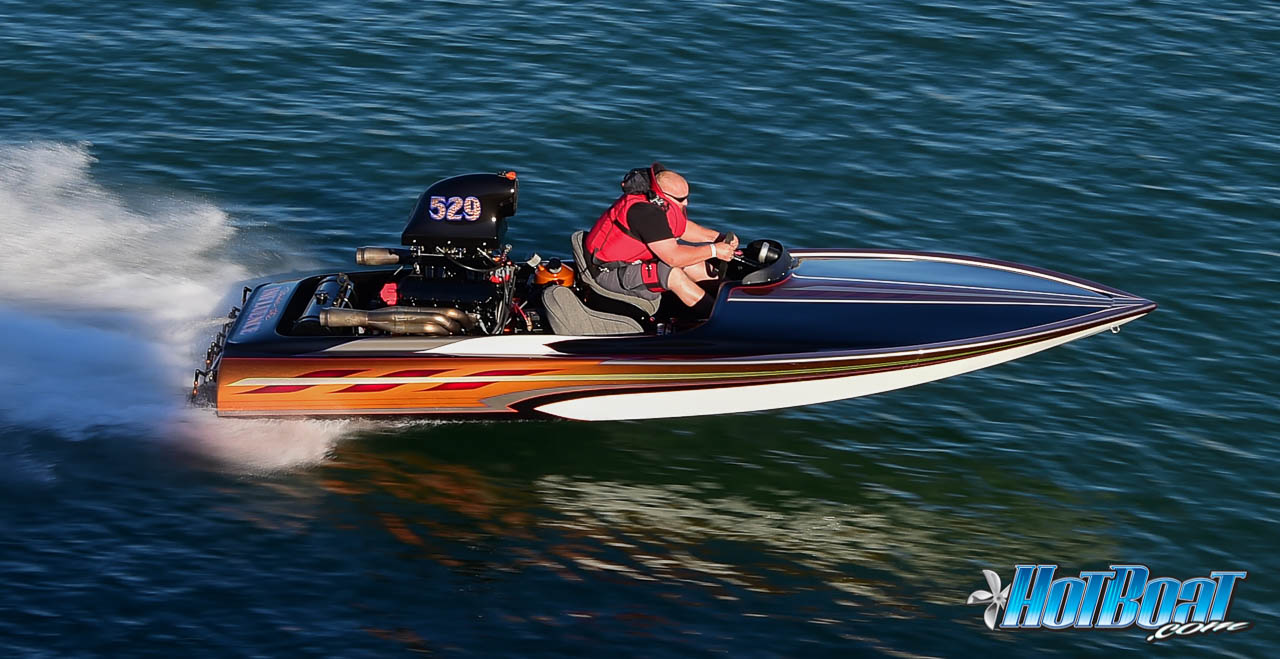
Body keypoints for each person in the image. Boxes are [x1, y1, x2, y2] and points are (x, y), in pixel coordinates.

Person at [583, 163, 738, 315]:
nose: (686, 203)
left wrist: (717, 238)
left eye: (687, 197)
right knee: (674, 274)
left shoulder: (657, 201)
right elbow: (673, 258)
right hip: (609, 271)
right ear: (663, 195)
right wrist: (713, 251)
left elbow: (681, 227)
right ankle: (723, 317)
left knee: (695, 262)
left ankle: (734, 298)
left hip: (635, 260)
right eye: (681, 199)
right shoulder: (645, 213)